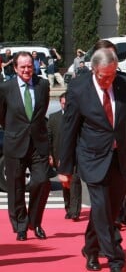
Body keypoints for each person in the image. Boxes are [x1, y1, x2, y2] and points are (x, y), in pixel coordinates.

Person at [58, 48, 126, 272]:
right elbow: (69, 128)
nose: (109, 80)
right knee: (102, 206)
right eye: (105, 76)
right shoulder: (79, 88)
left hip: (120, 158)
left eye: (113, 74)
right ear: (94, 70)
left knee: (109, 210)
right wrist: (65, 168)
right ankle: (115, 260)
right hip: (92, 157)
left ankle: (91, 249)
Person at [0, 51, 51, 241]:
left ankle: (34, 222)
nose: (27, 70)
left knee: (42, 181)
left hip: (38, 143)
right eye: (22, 67)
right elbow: (2, 115)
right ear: (15, 68)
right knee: (16, 187)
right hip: (15, 143)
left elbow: (42, 109)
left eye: (29, 66)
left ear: (34, 65)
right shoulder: (5, 88)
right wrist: (15, 131)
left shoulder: (43, 85)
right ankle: (20, 225)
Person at [48, 92, 82, 221]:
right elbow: (49, 138)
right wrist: (50, 155)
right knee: (65, 183)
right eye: (63, 104)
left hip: (75, 155)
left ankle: (75, 211)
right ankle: (68, 208)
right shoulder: (53, 118)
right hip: (59, 156)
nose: (65, 106)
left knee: (75, 182)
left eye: (67, 104)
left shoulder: (78, 117)